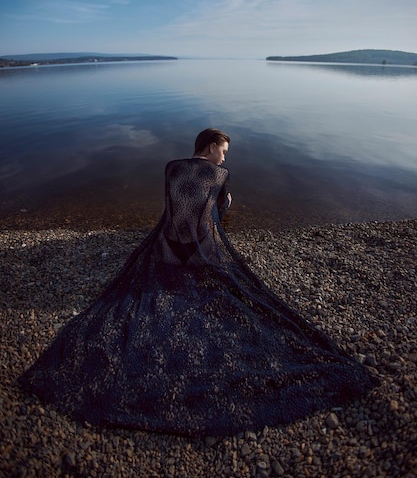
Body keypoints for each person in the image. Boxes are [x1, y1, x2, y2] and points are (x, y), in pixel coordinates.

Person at [20, 128, 375, 436]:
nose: (223, 158)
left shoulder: (171, 167)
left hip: (166, 253)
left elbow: (175, 206)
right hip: (198, 256)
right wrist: (226, 201)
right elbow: (216, 214)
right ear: (210, 146)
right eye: (223, 150)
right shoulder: (221, 175)